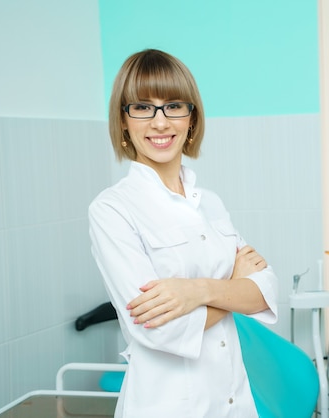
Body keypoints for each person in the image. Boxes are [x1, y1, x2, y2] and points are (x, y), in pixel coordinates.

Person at [88, 49, 278, 418]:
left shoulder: (211, 204)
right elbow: (161, 331)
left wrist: (196, 291)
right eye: (142, 107)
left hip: (234, 402)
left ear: (191, 118)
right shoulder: (112, 210)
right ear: (123, 120)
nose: (160, 122)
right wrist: (233, 286)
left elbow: (265, 291)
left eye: (174, 105)